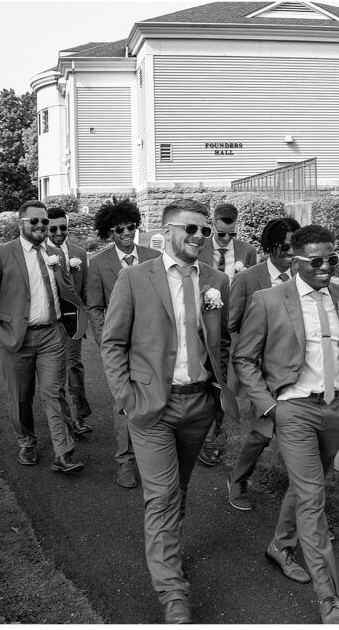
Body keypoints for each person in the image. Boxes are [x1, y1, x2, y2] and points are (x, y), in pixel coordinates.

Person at [101, 198, 237, 624]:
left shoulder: (217, 281)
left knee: (177, 491)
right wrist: (128, 397)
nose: (200, 237)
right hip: (152, 407)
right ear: (167, 232)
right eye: (191, 230)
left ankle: (168, 554)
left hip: (199, 404)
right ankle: (174, 595)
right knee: (161, 497)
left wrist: (218, 393)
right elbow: (113, 343)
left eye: (206, 231)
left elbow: (223, 343)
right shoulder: (135, 279)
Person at [232, 224, 339, 624]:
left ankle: (280, 545)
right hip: (294, 411)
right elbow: (244, 358)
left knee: (310, 485)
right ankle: (329, 600)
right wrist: (270, 407)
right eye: (317, 261)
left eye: (332, 259)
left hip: (335, 409)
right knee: (311, 499)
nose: (326, 267)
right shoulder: (269, 300)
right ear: (297, 259)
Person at [0, 200, 87, 474]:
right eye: (34, 221)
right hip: (16, 339)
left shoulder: (55, 255)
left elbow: (66, 293)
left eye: (44, 221)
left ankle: (63, 452)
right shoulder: (2, 254)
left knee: (53, 393)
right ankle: (27, 441)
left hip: (51, 336)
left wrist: (69, 324)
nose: (40, 226)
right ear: (21, 223)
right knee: (20, 397)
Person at [224, 217, 301, 511]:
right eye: (284, 246)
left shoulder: (303, 275)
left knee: (299, 436)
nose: (290, 252)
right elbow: (231, 324)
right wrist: (244, 361)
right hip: (261, 371)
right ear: (270, 246)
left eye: (295, 246)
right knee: (261, 433)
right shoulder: (247, 279)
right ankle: (238, 478)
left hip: (297, 369)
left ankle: (306, 505)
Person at [85, 197, 161, 489]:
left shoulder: (154, 256)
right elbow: (94, 307)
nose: (127, 234)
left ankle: (151, 458)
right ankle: (125, 461)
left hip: (153, 344)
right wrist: (106, 339)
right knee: (122, 402)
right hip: (119, 345)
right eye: (119, 230)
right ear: (109, 233)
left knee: (154, 399)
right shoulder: (99, 264)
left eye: (130, 227)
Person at [195, 202, 258, 467]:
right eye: (221, 234)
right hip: (202, 323)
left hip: (233, 327)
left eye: (232, 235)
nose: (226, 240)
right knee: (203, 378)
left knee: (224, 382)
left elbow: (252, 290)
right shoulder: (199, 246)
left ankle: (212, 433)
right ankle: (199, 433)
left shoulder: (248, 251)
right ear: (214, 225)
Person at [47, 206, 93, 437]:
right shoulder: (39, 252)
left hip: (73, 322)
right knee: (54, 372)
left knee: (74, 367)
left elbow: (85, 289)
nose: (58, 232)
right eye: (53, 228)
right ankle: (61, 418)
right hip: (49, 323)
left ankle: (78, 416)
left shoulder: (80, 254)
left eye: (63, 227)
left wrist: (86, 320)